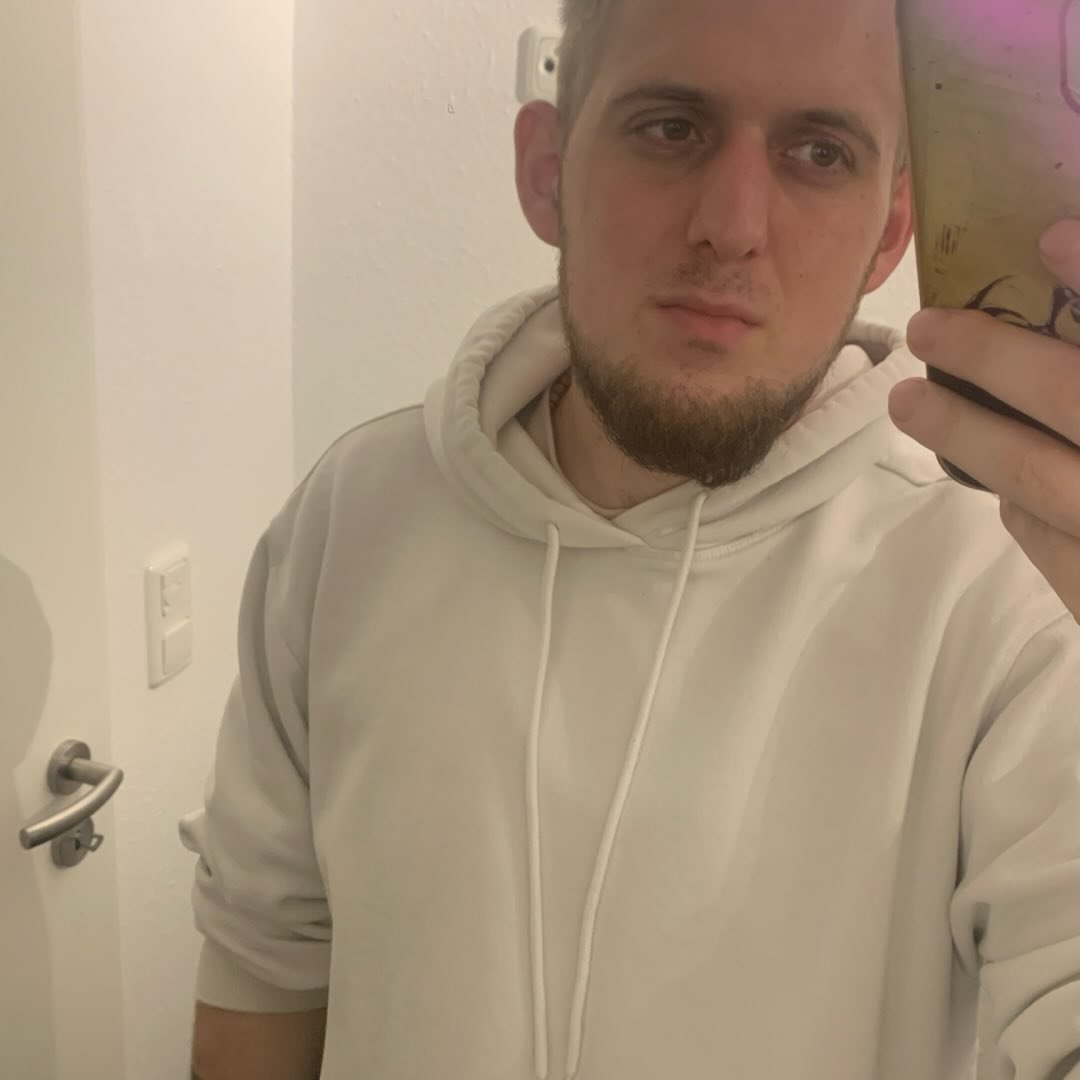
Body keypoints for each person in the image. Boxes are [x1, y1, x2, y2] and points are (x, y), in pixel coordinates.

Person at [181, 0, 1080, 1076]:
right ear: (547, 170)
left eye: (818, 153)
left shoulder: (1011, 589)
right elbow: (264, 964)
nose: (732, 225)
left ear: (892, 232)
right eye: (672, 128)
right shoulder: (350, 521)